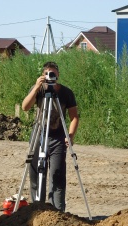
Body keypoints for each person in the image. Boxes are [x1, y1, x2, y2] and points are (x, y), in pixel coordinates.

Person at [22, 61, 79, 212]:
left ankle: (58, 212)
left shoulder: (66, 93)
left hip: (58, 137)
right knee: (36, 174)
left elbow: (74, 117)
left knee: (57, 175)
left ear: (58, 74)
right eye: (47, 73)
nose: (51, 76)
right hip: (38, 135)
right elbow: (25, 107)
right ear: (43, 75)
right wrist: (36, 87)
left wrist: (71, 135)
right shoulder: (38, 90)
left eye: (53, 73)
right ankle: (37, 209)